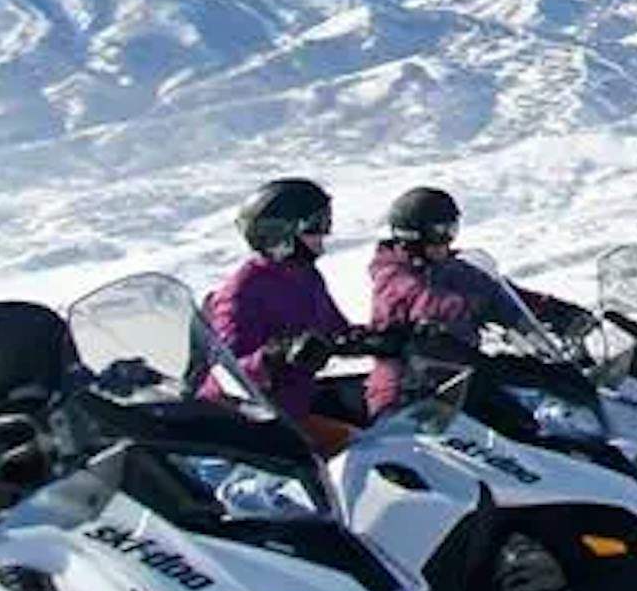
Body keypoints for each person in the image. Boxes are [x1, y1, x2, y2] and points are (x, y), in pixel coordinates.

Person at [205, 176, 359, 452]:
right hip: (251, 426)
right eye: (316, 227)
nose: (324, 235)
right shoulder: (242, 291)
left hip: (295, 408)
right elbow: (228, 375)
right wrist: (278, 355)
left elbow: (336, 331)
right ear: (281, 235)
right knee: (365, 450)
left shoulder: (306, 276)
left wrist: (381, 339)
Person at [361, 186, 533, 417]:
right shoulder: (392, 273)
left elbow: (495, 291)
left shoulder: (454, 268)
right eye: (441, 231)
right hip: (405, 391)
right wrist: (456, 305)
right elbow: (416, 295)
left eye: (452, 230)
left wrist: (552, 312)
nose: (447, 240)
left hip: (459, 381)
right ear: (412, 235)